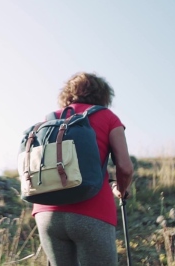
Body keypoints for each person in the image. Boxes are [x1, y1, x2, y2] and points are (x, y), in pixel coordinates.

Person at [33, 72, 134, 266]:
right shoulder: (108, 117)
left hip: (47, 213)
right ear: (103, 95)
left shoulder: (50, 119)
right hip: (93, 210)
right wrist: (121, 189)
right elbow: (125, 167)